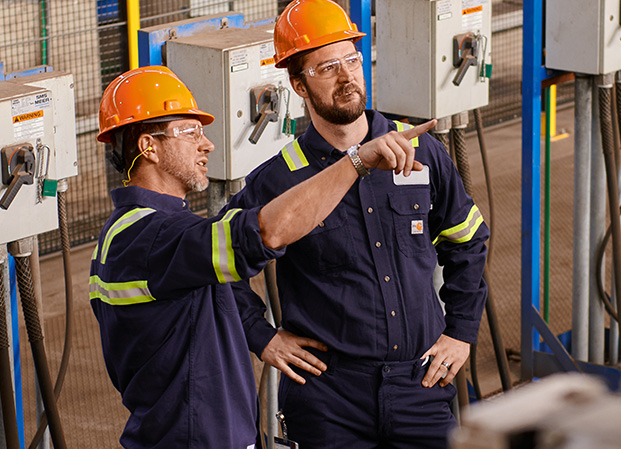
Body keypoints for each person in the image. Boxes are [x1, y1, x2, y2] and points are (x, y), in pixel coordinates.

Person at [89, 65, 431, 448]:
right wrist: (356, 162)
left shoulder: (138, 232)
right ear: (148, 146)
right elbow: (266, 231)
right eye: (189, 131)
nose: (207, 145)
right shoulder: (149, 236)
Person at [227, 0, 490, 447]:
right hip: (329, 399)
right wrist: (262, 337)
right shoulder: (279, 180)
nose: (347, 77)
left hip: (421, 383)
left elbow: (467, 239)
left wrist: (461, 333)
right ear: (298, 85)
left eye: (352, 59)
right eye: (328, 67)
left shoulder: (421, 153)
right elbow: (220, 263)